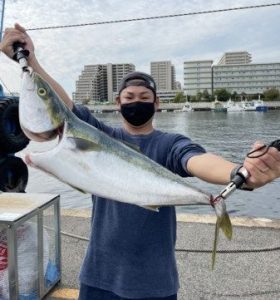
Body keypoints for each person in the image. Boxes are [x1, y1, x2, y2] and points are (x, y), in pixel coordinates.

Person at [1, 24, 280, 300]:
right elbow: (65, 110)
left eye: (145, 98)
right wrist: (30, 60)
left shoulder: (169, 144)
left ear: (156, 103)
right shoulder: (100, 135)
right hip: (98, 277)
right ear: (118, 102)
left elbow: (197, 160)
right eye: (130, 97)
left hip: (154, 284)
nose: (137, 102)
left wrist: (238, 173)